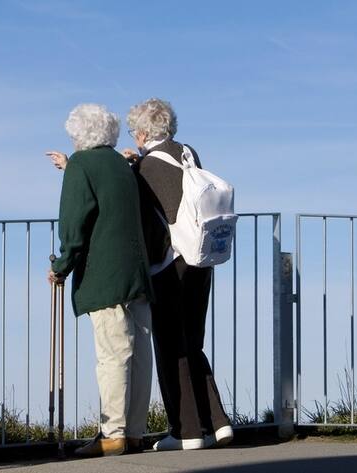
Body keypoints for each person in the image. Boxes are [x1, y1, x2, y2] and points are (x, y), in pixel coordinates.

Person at [123, 98, 234, 451]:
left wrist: (133, 167)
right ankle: (217, 423)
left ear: (143, 132)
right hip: (202, 258)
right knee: (193, 343)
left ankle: (186, 432)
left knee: (172, 347)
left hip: (170, 264)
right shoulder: (188, 153)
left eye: (134, 130)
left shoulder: (145, 168)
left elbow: (150, 215)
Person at [46, 103, 154, 457]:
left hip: (105, 274)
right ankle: (134, 432)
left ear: (79, 135)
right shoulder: (120, 164)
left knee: (112, 355)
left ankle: (112, 433)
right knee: (139, 354)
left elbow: (74, 223)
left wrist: (62, 265)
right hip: (136, 271)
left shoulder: (82, 164)